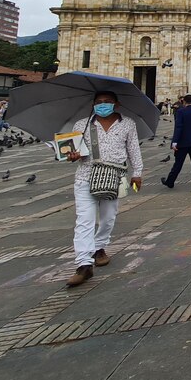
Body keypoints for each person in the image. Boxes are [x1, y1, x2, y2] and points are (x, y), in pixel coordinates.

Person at [65, 90, 143, 287]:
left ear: (116, 104)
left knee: (108, 217)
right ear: (93, 104)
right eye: (98, 102)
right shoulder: (82, 125)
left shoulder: (128, 123)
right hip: (85, 176)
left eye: (107, 102)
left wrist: (137, 173)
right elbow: (75, 151)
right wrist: (72, 155)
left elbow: (134, 149)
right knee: (84, 220)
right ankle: (84, 264)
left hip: (115, 176)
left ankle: (99, 246)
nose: (102, 105)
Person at [161, 94, 191, 192]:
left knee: (178, 164)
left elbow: (178, 127)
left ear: (184, 102)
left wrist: (174, 142)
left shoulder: (181, 112)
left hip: (183, 142)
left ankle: (170, 181)